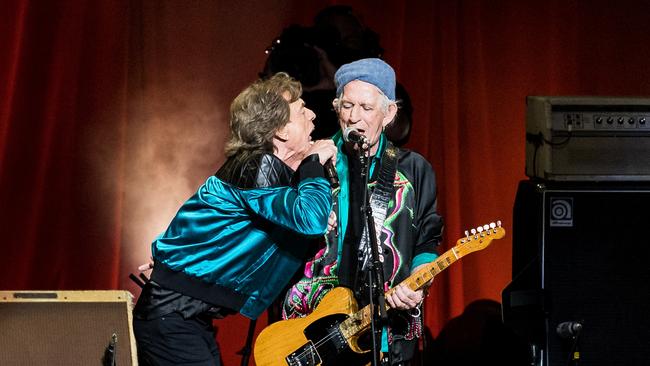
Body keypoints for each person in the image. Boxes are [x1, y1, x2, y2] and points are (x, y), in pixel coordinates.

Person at [133, 72, 337, 366]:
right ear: (280, 130)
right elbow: (310, 219)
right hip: (172, 317)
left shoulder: (268, 174)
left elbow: (211, 226)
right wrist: (312, 163)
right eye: (302, 110)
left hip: (183, 318)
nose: (313, 115)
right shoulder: (258, 166)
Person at [281, 58, 444, 365]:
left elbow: (426, 238)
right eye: (346, 106)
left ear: (389, 114)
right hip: (309, 329)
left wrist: (420, 283)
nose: (354, 117)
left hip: (384, 329)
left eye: (366, 108)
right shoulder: (312, 161)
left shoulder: (414, 169)